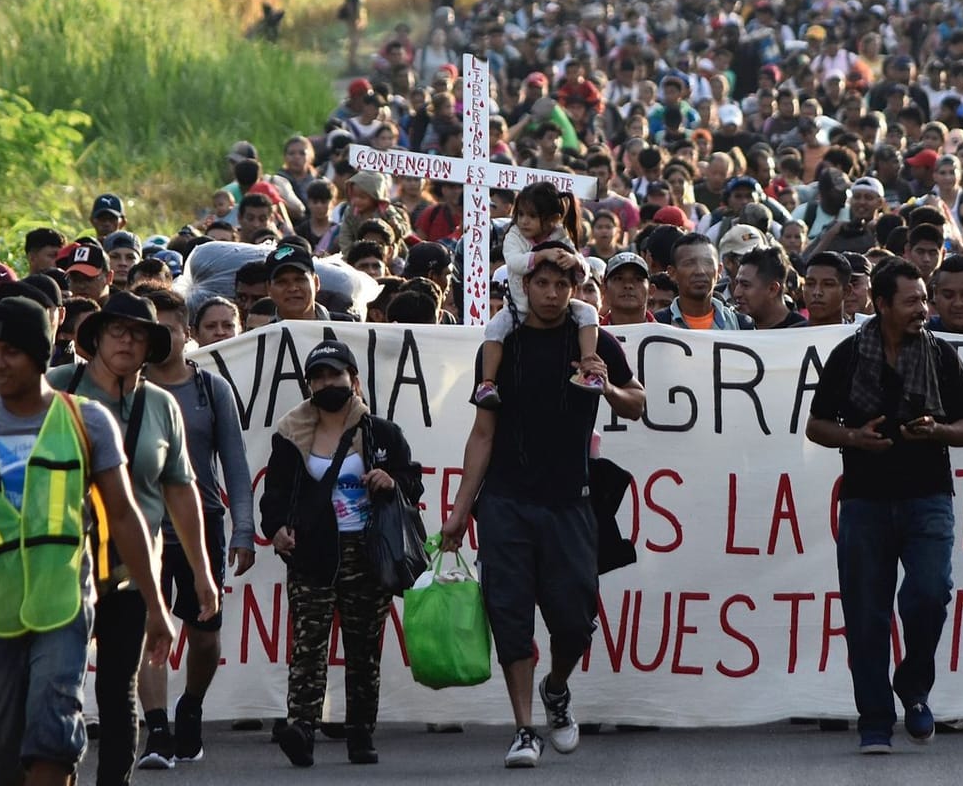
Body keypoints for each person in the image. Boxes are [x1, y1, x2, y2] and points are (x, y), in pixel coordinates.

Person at [0, 295, 176, 786]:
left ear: (40, 354)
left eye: (12, 352)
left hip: (64, 608)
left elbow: (126, 516)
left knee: (51, 738)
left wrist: (155, 605)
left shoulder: (85, 421)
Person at [438, 248, 646, 769]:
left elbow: (637, 403)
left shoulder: (595, 340)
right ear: (525, 287)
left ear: (574, 289)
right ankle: (524, 728)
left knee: (576, 622)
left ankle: (557, 688)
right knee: (510, 617)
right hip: (506, 502)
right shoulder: (501, 345)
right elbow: (483, 434)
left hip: (571, 504)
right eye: (543, 284)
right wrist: (461, 510)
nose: (553, 294)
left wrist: (608, 384)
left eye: (563, 285)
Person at [805, 261, 963, 754]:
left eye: (925, 300)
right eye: (912, 302)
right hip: (865, 503)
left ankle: (914, 686)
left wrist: (938, 431)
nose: (923, 310)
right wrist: (853, 438)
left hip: (928, 500)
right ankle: (875, 722)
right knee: (866, 617)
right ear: (881, 305)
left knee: (930, 594)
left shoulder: (941, 356)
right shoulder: (846, 356)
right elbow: (816, 427)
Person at [46, 293, 216, 786]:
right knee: (58, 685)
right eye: (115, 330)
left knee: (119, 688)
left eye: (137, 333)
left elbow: (182, 492)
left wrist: (202, 572)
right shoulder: (57, 388)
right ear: (95, 338)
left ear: (150, 347)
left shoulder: (161, 406)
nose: (125, 340)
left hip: (133, 568)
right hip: (59, 561)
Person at [258, 339, 423, 767]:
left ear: (354, 379)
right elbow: (274, 494)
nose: (328, 382)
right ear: (309, 384)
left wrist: (392, 481)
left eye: (335, 374)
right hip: (312, 552)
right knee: (307, 646)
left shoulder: (381, 433)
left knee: (363, 649)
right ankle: (302, 727)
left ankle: (360, 731)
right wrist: (275, 530)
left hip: (367, 551)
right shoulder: (290, 432)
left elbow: (411, 480)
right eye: (319, 376)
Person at [134, 290, 255, 767]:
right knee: (150, 629)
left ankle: (191, 705)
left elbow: (236, 466)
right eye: (152, 330)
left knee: (204, 636)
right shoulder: (127, 389)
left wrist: (243, 529)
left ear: (186, 334)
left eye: (170, 329)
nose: (162, 339)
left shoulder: (212, 389)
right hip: (141, 528)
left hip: (201, 526)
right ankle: (158, 728)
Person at [475, 182, 603, 407]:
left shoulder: (561, 234)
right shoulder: (514, 235)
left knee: (589, 313)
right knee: (494, 329)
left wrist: (575, 261)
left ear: (552, 218)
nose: (524, 221)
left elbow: (580, 276)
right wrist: (542, 255)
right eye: (521, 214)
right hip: (519, 306)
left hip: (559, 308)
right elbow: (515, 262)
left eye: (532, 216)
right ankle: (487, 383)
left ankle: (588, 368)